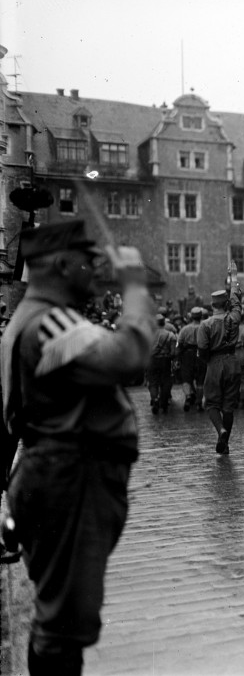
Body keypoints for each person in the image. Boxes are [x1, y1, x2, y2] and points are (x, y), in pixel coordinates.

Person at [0, 220, 156, 676]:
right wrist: (134, 286)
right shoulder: (51, 320)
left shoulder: (22, 323)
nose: (94, 271)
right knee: (63, 625)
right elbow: (129, 355)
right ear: (62, 264)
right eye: (87, 262)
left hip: (53, 473)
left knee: (59, 616)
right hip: (70, 477)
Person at [197, 269, 243, 455]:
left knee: (212, 404)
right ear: (226, 304)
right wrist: (234, 280)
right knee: (228, 406)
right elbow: (237, 303)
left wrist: (209, 361)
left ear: (211, 305)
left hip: (215, 363)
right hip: (233, 361)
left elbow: (202, 349)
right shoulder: (234, 318)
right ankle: (224, 443)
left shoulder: (205, 324)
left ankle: (220, 431)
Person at [146, 314, 177, 414]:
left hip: (151, 361)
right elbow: (173, 353)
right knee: (165, 382)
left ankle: (155, 400)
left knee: (153, 382)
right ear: (164, 323)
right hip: (165, 361)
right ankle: (164, 402)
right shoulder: (170, 335)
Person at [176, 307, 205, 412]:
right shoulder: (205, 327)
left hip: (187, 355)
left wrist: (177, 358)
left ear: (191, 317)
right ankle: (199, 403)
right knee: (200, 381)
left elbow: (179, 344)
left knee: (186, 379)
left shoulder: (184, 329)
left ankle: (188, 396)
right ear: (201, 316)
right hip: (201, 355)